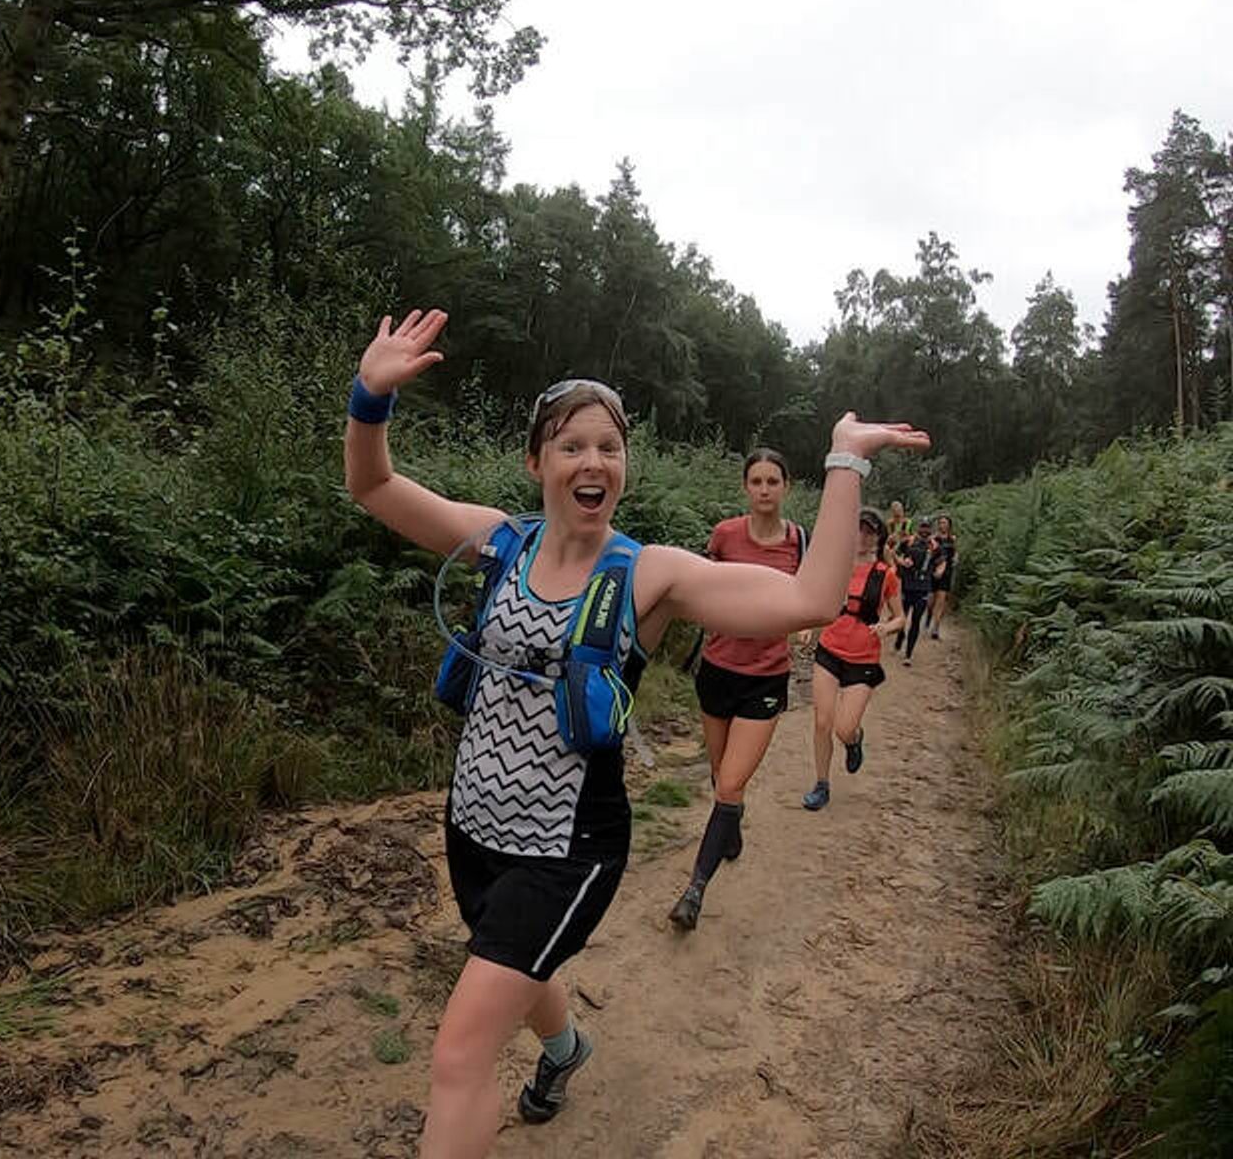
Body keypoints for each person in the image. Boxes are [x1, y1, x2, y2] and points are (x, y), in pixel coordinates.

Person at [343, 309, 929, 1158]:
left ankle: (544, 1056)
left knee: (460, 1051)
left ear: (625, 466)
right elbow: (374, 487)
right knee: (519, 965)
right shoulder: (498, 544)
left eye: (609, 447)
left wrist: (844, 459)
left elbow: (806, 601)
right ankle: (566, 1048)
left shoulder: (648, 574)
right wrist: (369, 396)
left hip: (567, 845)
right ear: (536, 462)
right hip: (472, 826)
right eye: (572, 445)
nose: (593, 461)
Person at [668, 448, 809, 932]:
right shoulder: (725, 535)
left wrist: (805, 624)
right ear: (746, 487)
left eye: (773, 481)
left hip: (766, 677)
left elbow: (811, 595)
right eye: (757, 481)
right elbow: (701, 587)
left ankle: (695, 890)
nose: (765, 489)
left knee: (730, 782)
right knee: (719, 775)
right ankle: (729, 825)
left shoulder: (799, 542)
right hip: (718, 669)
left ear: (786, 486)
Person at [802, 507, 905, 811]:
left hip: (864, 658)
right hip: (830, 649)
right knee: (822, 721)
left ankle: (854, 740)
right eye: (857, 529)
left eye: (869, 531)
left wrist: (886, 626)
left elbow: (901, 618)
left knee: (843, 727)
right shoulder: (838, 566)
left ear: (878, 537)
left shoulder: (885, 575)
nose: (862, 536)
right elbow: (815, 597)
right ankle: (821, 785)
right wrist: (807, 625)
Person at [892, 515, 934, 664]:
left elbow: (943, 561)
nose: (924, 530)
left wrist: (939, 570)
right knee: (902, 617)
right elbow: (894, 552)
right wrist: (901, 561)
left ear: (930, 529)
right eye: (922, 526)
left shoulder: (934, 546)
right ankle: (900, 636)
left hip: (923, 587)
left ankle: (909, 654)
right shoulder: (908, 542)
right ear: (918, 528)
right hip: (907, 585)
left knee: (916, 620)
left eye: (927, 527)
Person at [926, 514, 958, 639]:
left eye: (944, 523)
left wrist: (956, 558)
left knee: (941, 600)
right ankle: (928, 615)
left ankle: (935, 628)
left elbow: (955, 552)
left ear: (949, 525)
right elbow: (928, 553)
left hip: (947, 573)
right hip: (933, 571)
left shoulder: (952, 539)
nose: (942, 525)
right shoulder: (933, 538)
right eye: (940, 523)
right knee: (930, 601)